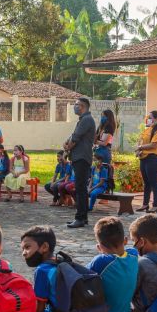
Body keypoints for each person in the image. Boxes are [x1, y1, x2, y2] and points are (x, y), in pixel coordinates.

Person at [64, 97, 96, 228]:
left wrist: (67, 147)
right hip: (79, 157)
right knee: (80, 188)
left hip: (82, 157)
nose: (75, 107)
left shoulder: (87, 120)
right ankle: (83, 217)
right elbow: (73, 135)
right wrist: (67, 143)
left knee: (80, 189)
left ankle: (80, 218)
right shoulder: (84, 120)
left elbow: (75, 138)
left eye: (76, 105)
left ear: (82, 106)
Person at [134, 110, 157, 214]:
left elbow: (154, 145)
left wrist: (140, 147)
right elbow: (141, 140)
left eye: (150, 117)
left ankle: (155, 205)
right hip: (144, 157)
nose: (148, 119)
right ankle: (145, 204)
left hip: (154, 158)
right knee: (146, 183)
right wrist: (139, 150)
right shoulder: (148, 129)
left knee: (153, 182)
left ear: (156, 119)